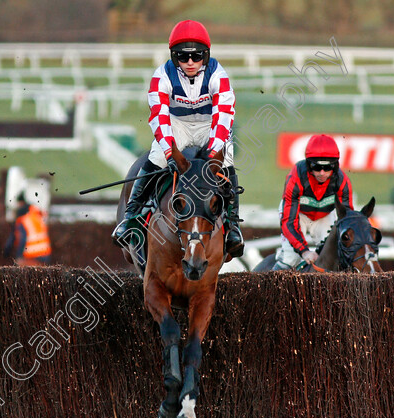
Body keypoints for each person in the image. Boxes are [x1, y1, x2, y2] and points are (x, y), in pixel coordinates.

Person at [111, 20, 243, 257]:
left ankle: (233, 226)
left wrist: (213, 155)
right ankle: (131, 216)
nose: (190, 63)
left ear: (206, 55)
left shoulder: (218, 74)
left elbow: (224, 116)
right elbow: (159, 116)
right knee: (156, 158)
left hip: (208, 124)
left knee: (227, 161)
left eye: (196, 56)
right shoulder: (161, 75)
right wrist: (170, 152)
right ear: (174, 56)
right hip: (176, 124)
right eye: (183, 57)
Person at [273, 134, 354, 270]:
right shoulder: (296, 177)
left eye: (327, 168)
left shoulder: (342, 181)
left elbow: (346, 220)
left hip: (324, 217)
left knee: (336, 256)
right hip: (297, 216)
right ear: (308, 165)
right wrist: (304, 251)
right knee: (291, 258)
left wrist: (321, 250)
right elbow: (289, 221)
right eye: (316, 167)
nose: (322, 173)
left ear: (335, 166)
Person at [2, 193, 52, 266]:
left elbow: (22, 239)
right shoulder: (37, 216)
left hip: (32, 255)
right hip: (45, 254)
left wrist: (18, 256)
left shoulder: (23, 220)